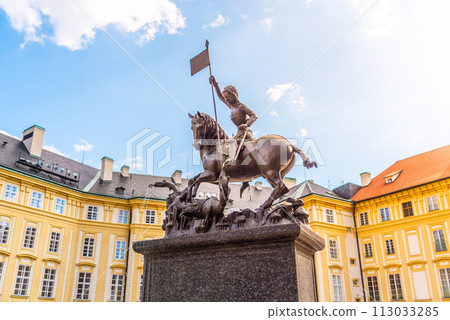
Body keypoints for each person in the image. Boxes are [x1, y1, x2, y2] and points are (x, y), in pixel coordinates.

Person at [209, 76, 258, 164]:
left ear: (233, 95)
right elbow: (220, 96)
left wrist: (246, 124)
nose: (226, 99)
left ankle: (231, 162)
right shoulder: (231, 107)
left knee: (232, 142)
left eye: (228, 97)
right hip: (238, 133)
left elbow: (254, 116)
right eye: (226, 97)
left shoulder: (241, 106)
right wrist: (215, 84)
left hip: (245, 132)